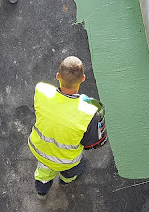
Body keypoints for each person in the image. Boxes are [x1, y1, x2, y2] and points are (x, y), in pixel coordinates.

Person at [28, 56, 107, 200]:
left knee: (43, 173)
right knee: (74, 169)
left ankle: (41, 193)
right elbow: (90, 144)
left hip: (40, 151)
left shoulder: (41, 90)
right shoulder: (89, 113)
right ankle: (65, 182)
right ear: (83, 78)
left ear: (58, 76)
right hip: (68, 160)